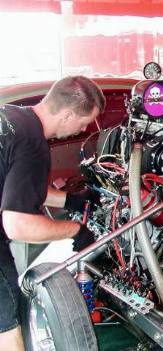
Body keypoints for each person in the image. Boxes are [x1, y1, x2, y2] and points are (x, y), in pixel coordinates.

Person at [0, 76, 106, 351]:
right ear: (68, 114)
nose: (82, 130)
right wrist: (75, 229)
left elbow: (20, 184)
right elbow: (18, 226)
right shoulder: (33, 144)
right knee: (7, 326)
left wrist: (71, 200)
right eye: (83, 122)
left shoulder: (13, 115)